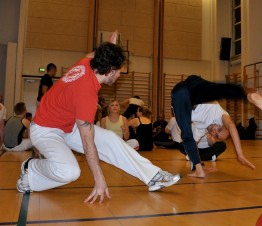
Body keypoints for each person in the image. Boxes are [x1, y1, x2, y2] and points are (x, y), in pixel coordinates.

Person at [16, 33, 180, 204]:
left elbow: (95, 53)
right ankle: (30, 172)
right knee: (70, 172)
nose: (119, 76)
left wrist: (110, 46)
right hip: (44, 130)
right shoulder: (86, 94)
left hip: (66, 125)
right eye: (118, 71)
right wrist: (99, 179)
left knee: (109, 139)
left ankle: (153, 176)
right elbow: (88, 143)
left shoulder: (88, 62)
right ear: (110, 70)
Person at [171, 75, 262, 178]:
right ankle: (249, 96)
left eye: (216, 135)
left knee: (187, 136)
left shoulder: (201, 129)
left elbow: (194, 146)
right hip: (196, 89)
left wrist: (198, 165)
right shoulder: (219, 115)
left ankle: (199, 171)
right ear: (221, 124)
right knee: (222, 90)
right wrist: (239, 154)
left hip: (181, 97)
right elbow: (231, 126)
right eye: (219, 129)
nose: (214, 131)